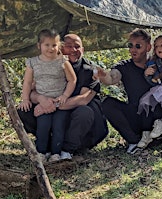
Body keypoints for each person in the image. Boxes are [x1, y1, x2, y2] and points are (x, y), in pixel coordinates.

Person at [96, 17, 162, 159]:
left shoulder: (159, 62)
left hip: (158, 117)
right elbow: (112, 78)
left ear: (148, 47)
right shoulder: (124, 66)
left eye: (138, 46)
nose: (133, 50)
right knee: (107, 103)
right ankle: (134, 141)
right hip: (137, 115)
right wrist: (102, 75)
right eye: (130, 45)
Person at [17, 33, 109, 159]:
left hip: (83, 125)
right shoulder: (47, 64)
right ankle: (47, 147)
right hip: (56, 111)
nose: (73, 50)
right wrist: (41, 99)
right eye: (69, 46)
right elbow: (32, 91)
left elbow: (83, 100)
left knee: (85, 111)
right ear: (60, 48)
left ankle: (67, 149)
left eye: (77, 47)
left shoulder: (90, 70)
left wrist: (50, 105)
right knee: (24, 109)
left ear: (82, 50)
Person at [17, 29, 77, 162]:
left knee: (58, 126)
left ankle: (56, 153)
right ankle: (42, 152)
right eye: (47, 45)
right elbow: (27, 82)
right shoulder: (32, 62)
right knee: (43, 126)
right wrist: (25, 99)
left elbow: (72, 80)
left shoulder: (62, 61)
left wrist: (65, 96)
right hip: (43, 101)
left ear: (59, 46)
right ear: (39, 46)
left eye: (54, 45)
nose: (51, 48)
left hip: (59, 102)